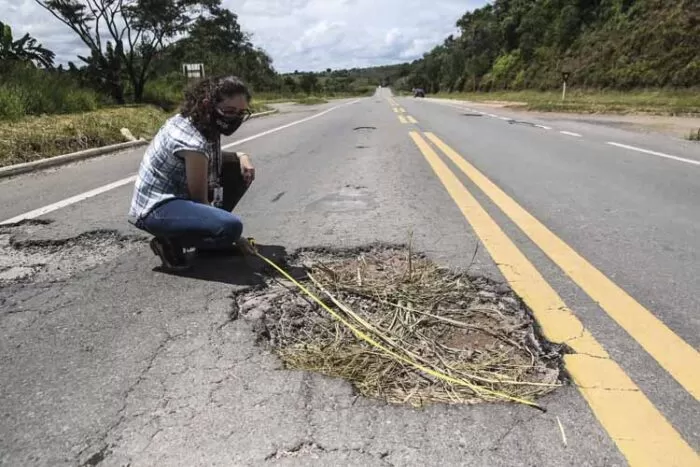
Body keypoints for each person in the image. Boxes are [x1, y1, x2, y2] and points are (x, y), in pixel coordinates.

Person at [127, 75, 257, 271]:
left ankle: (208, 240)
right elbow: (200, 201)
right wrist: (236, 238)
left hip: (178, 198)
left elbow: (209, 158)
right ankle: (171, 242)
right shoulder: (192, 141)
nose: (236, 117)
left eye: (241, 112)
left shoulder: (200, 122)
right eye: (230, 111)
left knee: (237, 168)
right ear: (208, 104)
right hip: (156, 209)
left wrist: (242, 155)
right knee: (231, 227)